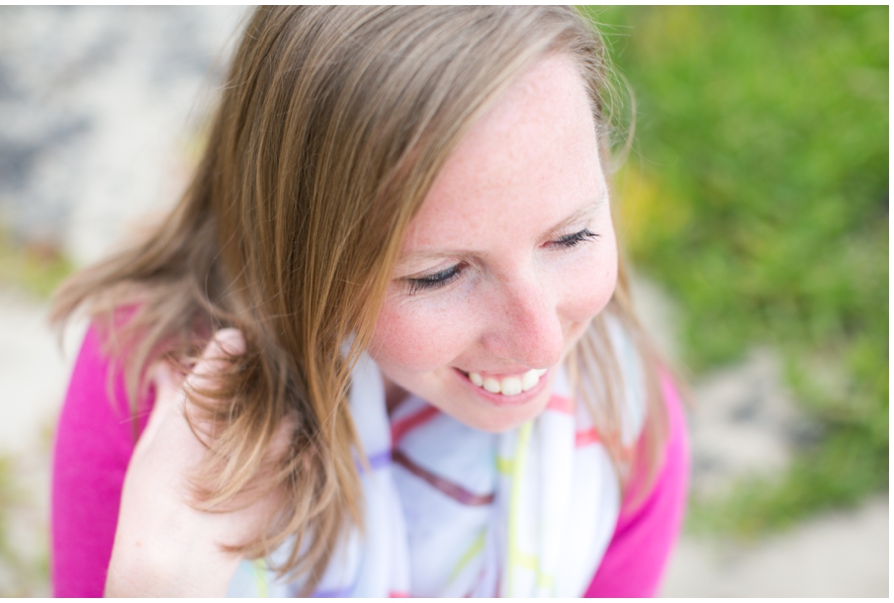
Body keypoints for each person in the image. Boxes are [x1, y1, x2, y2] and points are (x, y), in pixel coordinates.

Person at [50, 6, 688, 598]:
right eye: (439, 275)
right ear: (298, 253)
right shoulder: (143, 391)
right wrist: (155, 585)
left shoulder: (622, 426)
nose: (543, 344)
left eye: (571, 235)